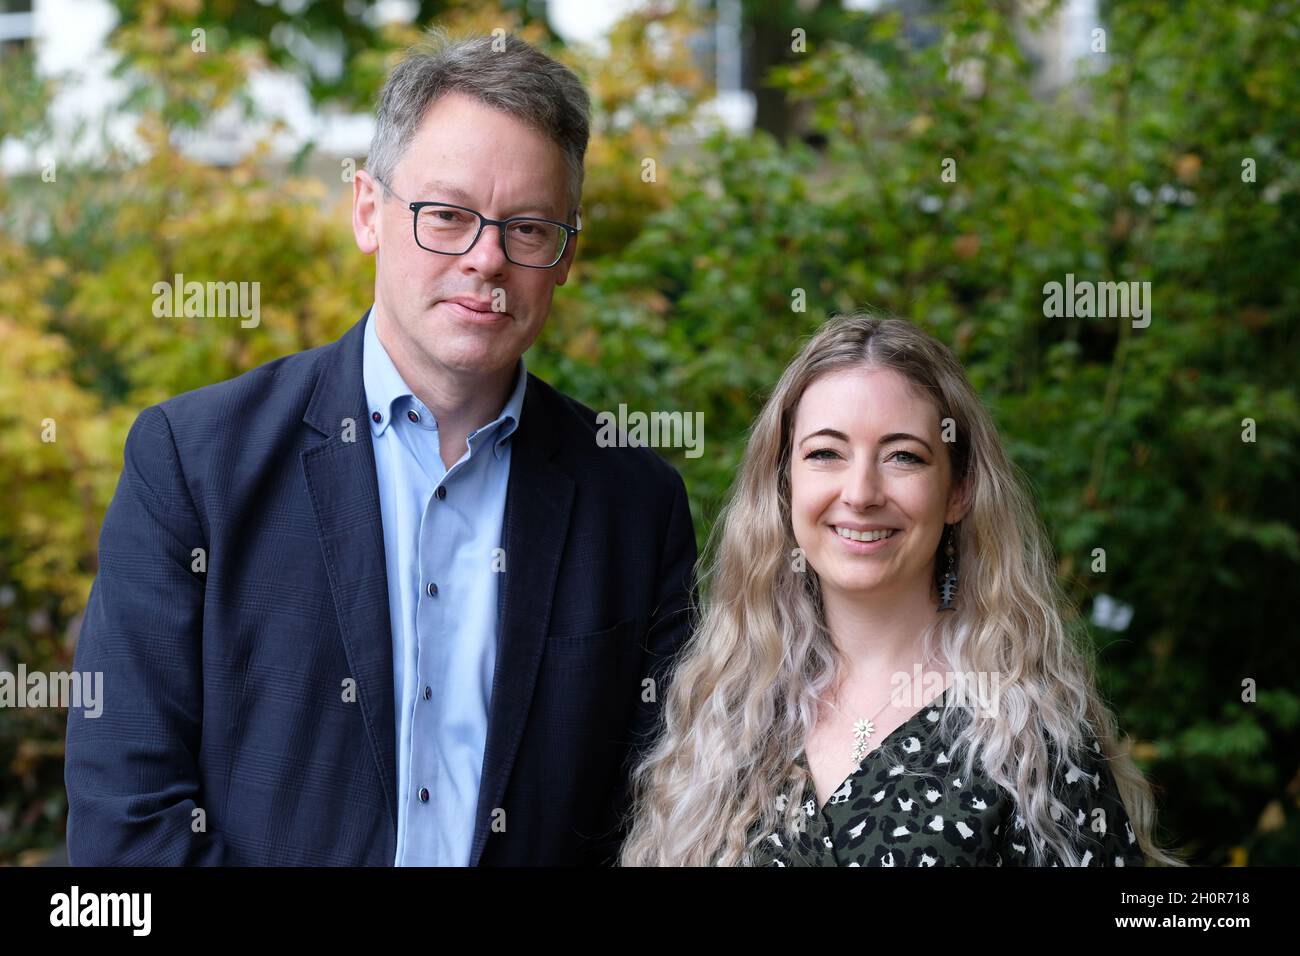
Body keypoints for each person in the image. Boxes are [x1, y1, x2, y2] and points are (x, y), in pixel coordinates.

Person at [64, 30, 697, 866]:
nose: (486, 260)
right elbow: (127, 824)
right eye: (447, 216)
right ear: (368, 211)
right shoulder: (193, 464)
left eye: (529, 229)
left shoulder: (633, 503)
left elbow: (662, 814)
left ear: (566, 255)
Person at [621, 312, 1180, 866]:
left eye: (903, 457)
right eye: (825, 454)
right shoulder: (727, 712)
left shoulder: (1030, 738)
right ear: (783, 483)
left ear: (959, 491)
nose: (861, 492)